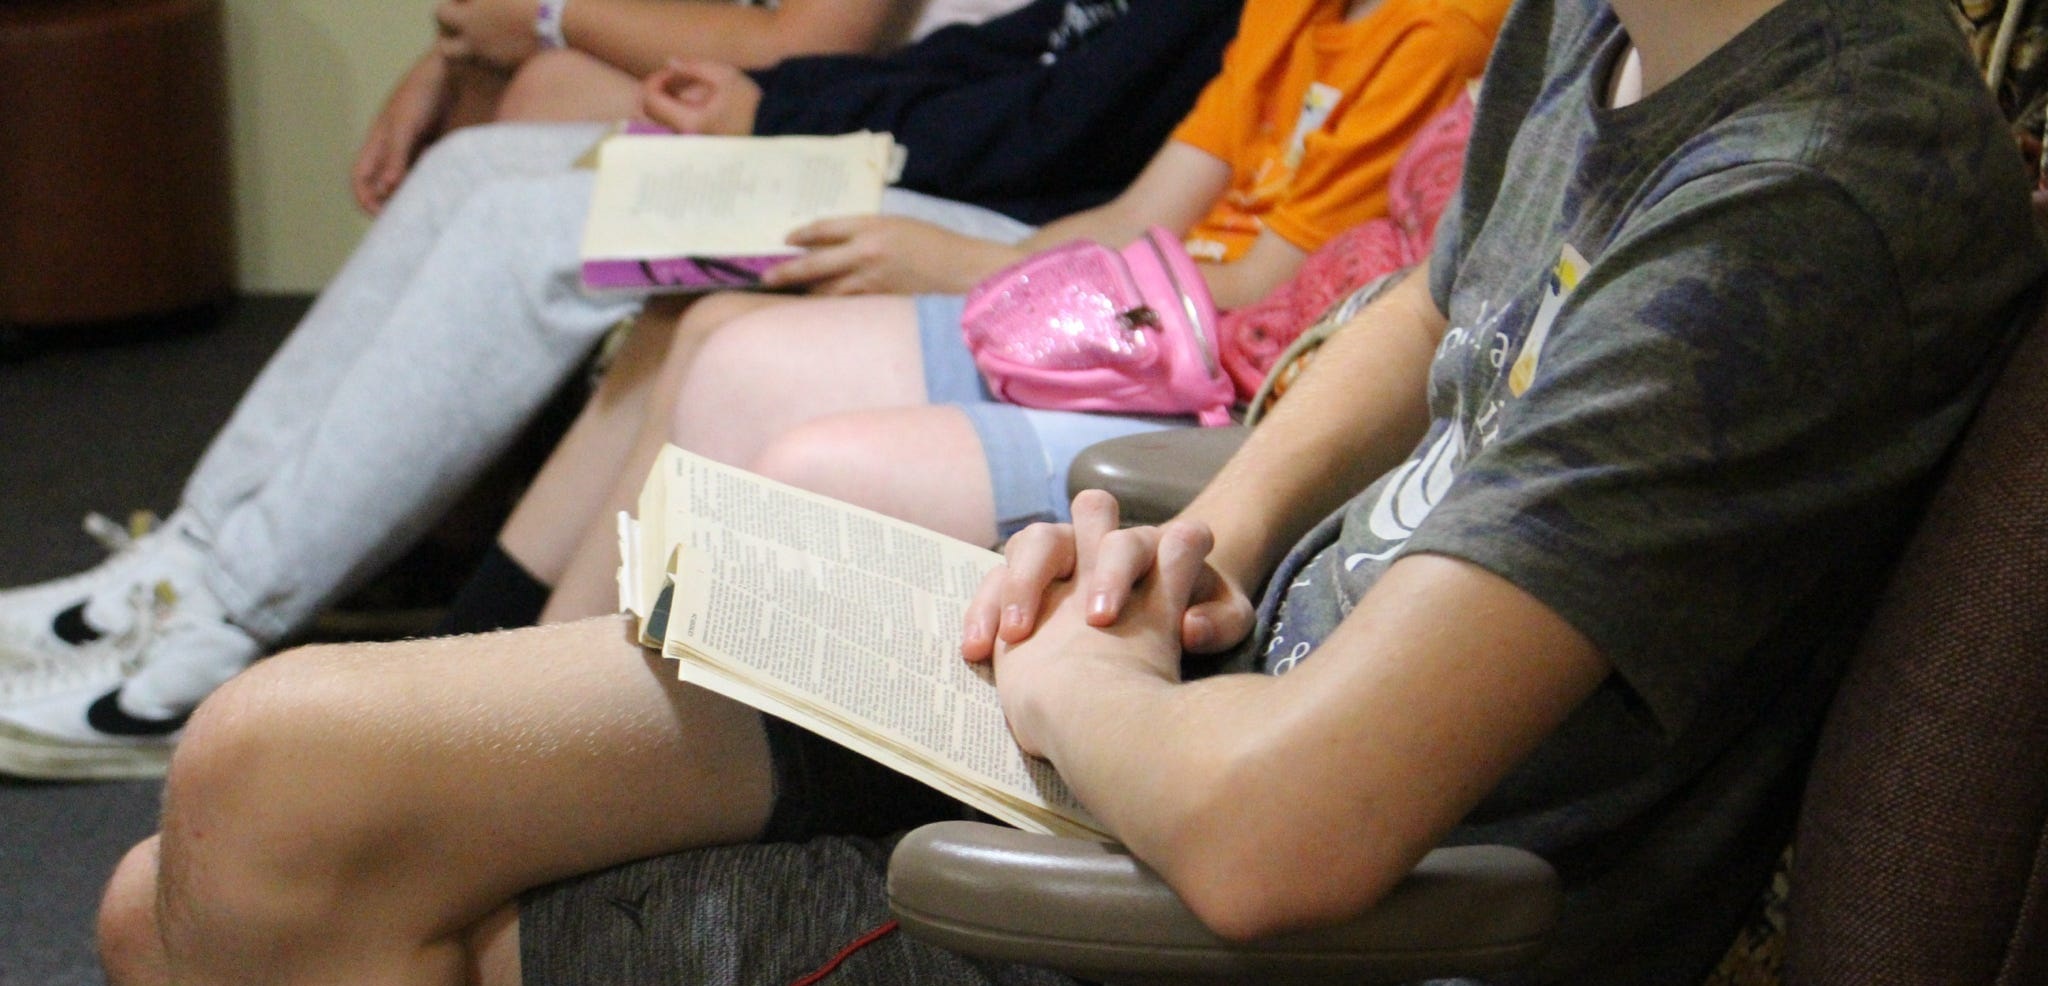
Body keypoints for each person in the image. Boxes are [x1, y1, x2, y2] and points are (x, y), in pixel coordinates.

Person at [91, 0, 2048, 984]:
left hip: (1268, 886)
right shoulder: (1618, 24)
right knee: (223, 819)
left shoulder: (1804, 196)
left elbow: (1292, 837)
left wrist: (1073, 692)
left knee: (239, 865)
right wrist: (1227, 520)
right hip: (1186, 715)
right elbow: (1433, 286)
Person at [0, 0, 1241, 780]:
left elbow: (1061, 135)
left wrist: (769, 105)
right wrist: (770, 109)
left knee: (539, 239)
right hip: (959, 174)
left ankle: (224, 614)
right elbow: (996, 63)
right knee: (483, 170)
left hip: (1023, 232)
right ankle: (196, 559)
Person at [441, 0, 1510, 628]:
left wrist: (955, 262)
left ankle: (575, 707)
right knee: (716, 335)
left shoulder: (1446, 33)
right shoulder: (1294, 9)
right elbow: (1142, 211)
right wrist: (984, 268)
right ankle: (514, 654)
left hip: (1188, 357)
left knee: (769, 414)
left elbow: (1246, 292)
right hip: (1134, 308)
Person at [353, 0, 990, 215]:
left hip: (919, 123)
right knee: (491, 70)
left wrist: (547, 18)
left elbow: (802, 48)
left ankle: (453, 494)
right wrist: (446, 58)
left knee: (550, 87)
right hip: (806, 90)